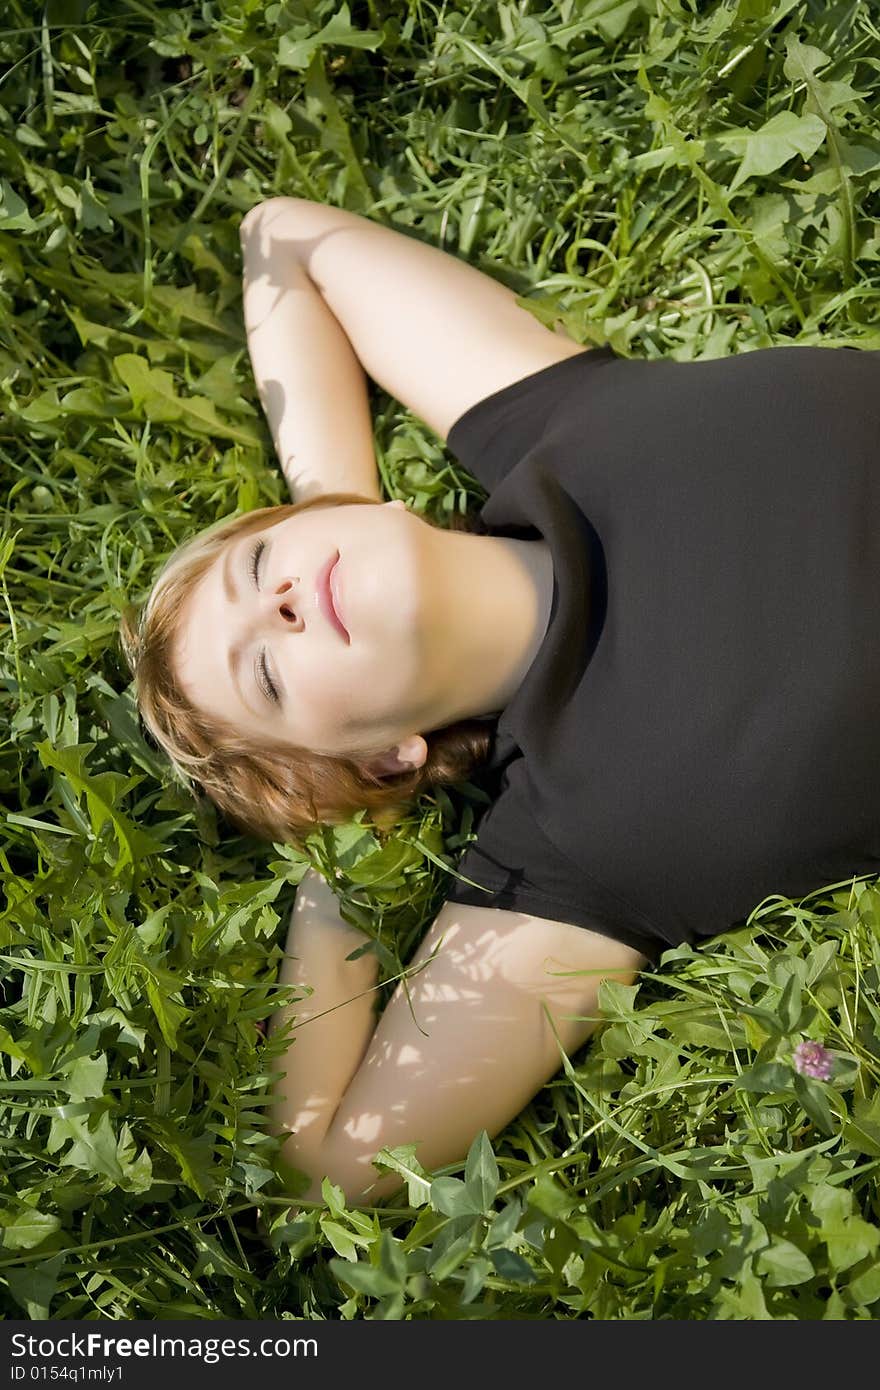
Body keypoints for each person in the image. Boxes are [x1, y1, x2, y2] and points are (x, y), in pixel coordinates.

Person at [120, 197, 880, 1209]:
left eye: (261, 565)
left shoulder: (544, 421)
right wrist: (330, 862)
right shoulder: (581, 849)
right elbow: (333, 1162)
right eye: (266, 671)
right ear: (384, 755)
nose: (281, 600)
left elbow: (280, 238)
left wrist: (326, 503)